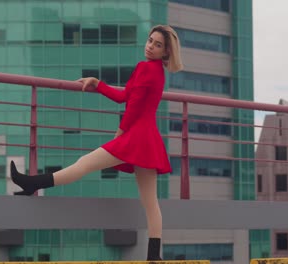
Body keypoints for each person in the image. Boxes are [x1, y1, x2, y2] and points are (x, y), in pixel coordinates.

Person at [10, 24, 183, 261]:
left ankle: (32, 184)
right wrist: (98, 84)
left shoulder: (146, 68)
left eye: (158, 45)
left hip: (135, 137)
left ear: (166, 52)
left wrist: (120, 133)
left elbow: (132, 107)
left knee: (83, 164)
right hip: (148, 139)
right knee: (150, 203)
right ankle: (154, 257)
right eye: (150, 41)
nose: (150, 46)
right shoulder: (156, 72)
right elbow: (124, 96)